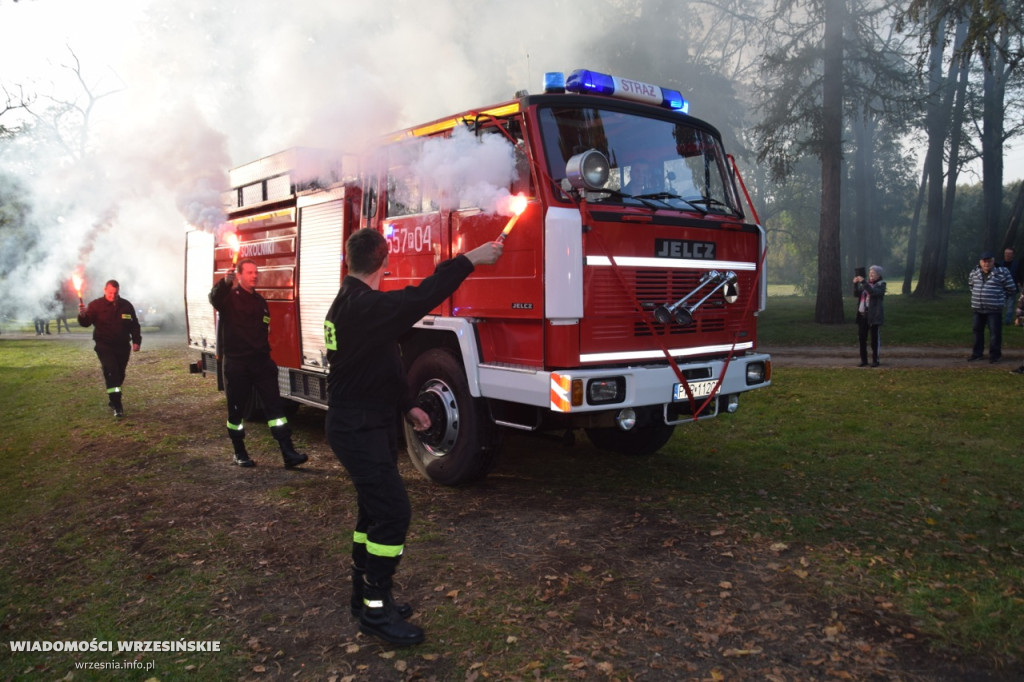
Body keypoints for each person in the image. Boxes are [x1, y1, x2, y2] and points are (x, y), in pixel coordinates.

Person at [323, 228, 503, 646]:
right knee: (393, 514)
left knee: (373, 514)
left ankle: (363, 596)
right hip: (358, 427)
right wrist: (471, 259)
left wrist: (409, 406)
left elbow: (382, 365)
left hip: (367, 422)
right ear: (384, 262)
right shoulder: (365, 306)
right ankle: (375, 610)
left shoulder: (350, 302)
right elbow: (423, 295)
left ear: (351, 260)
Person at [209, 258, 307, 469]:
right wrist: (224, 282)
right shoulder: (229, 298)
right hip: (237, 364)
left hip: (261, 362)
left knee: (275, 409)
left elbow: (265, 328)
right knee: (236, 411)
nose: (254, 275)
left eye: (256, 272)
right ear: (239, 275)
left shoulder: (260, 301)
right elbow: (214, 298)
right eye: (250, 272)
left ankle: (288, 452)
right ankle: (239, 452)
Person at [77, 280, 141, 417]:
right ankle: (117, 405)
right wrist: (82, 315)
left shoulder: (126, 305)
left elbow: (134, 325)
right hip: (104, 345)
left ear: (119, 291)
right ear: (105, 290)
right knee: (112, 373)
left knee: (120, 374)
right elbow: (86, 322)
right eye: (110, 293)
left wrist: (137, 341)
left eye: (116, 293)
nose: (113, 296)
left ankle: (113, 397)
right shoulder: (96, 305)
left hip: (123, 346)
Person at [968, 252, 1016, 363]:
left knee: (995, 333)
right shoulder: (974, 273)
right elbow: (971, 286)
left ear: (993, 261)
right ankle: (977, 354)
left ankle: (995, 356)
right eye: (984, 261)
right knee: (977, 331)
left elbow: (1011, 289)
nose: (986, 263)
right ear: (980, 262)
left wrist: (1000, 297)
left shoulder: (1003, 273)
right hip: (977, 308)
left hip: (994, 309)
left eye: (989, 261)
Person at [853, 265, 886, 367]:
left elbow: (872, 292)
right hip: (863, 315)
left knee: (874, 339)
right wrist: (855, 284)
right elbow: (856, 294)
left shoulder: (881, 284)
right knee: (862, 338)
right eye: (870, 272)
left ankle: (875, 360)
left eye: (873, 273)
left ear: (879, 275)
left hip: (874, 316)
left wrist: (863, 282)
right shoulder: (866, 284)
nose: (871, 274)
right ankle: (864, 360)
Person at [998, 247, 1022, 325]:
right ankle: (998, 319)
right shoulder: (999, 264)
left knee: (1010, 306)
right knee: (999, 305)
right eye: (1006, 253)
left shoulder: (1017, 264)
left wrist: (1020, 284)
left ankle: (1007, 321)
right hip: (1000, 288)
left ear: (1013, 255)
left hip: (1012, 288)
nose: (1007, 255)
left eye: (1009, 254)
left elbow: (1020, 275)